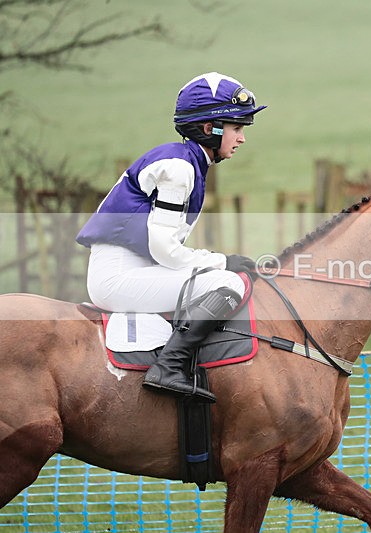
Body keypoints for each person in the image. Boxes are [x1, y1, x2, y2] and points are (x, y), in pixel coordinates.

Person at [76, 72, 266, 403]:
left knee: (221, 276)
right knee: (229, 284)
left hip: (129, 269)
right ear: (210, 128)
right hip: (121, 277)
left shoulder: (187, 161)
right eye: (236, 127)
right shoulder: (180, 169)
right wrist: (220, 260)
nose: (241, 138)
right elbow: (163, 249)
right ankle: (169, 367)